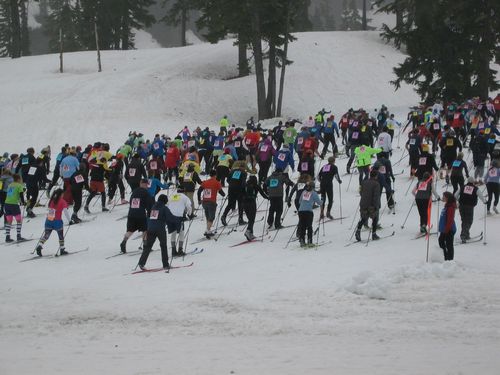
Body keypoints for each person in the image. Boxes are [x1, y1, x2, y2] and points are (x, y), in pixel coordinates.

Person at [137, 194, 180, 271]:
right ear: (164, 200)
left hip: (150, 228)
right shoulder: (164, 208)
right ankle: (165, 264)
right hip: (160, 229)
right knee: (163, 246)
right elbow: (170, 218)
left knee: (148, 247)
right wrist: (180, 219)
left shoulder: (154, 207)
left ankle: (141, 262)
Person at [120, 179, 153, 253]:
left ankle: (124, 242)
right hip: (140, 214)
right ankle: (145, 246)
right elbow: (149, 205)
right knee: (145, 229)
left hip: (131, 213)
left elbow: (131, 201)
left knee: (130, 230)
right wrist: (149, 214)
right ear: (145, 184)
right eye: (147, 185)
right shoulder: (146, 193)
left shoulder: (134, 191)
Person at [35, 189, 71, 256]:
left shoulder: (52, 200)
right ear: (61, 194)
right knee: (61, 236)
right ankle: (62, 249)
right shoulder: (62, 201)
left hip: (49, 220)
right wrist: (69, 220)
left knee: (46, 235)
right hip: (57, 221)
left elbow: (51, 209)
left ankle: (40, 245)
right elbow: (65, 211)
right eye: (63, 194)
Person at [456, 177, 486, 242]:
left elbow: (455, 195)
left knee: (464, 220)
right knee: (469, 221)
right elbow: (480, 195)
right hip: (469, 207)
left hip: (461, 206)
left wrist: (459, 200)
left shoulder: (462, 187)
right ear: (473, 182)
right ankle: (463, 235)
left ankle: (466, 234)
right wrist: (484, 201)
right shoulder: (475, 189)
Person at [197, 170, 225, 237]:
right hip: (211, 202)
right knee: (211, 217)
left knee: (208, 216)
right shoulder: (217, 182)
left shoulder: (205, 182)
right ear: (215, 175)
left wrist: (199, 200)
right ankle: (207, 230)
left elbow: (199, 191)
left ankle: (208, 230)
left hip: (204, 202)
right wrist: (224, 194)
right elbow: (221, 192)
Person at [355, 169, 381, 241]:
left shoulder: (364, 182)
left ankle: (358, 230)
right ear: (376, 176)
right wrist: (376, 206)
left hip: (363, 203)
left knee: (364, 218)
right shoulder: (376, 184)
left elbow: (360, 192)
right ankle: (374, 234)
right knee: (375, 218)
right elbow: (376, 196)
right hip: (371, 204)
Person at [165, 188, 192, 256]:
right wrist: (189, 214)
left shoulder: (172, 196)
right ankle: (180, 250)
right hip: (178, 217)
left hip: (170, 217)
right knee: (181, 233)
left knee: (173, 233)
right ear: (184, 191)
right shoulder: (185, 197)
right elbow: (189, 206)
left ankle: (173, 251)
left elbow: (166, 205)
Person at [221, 161, 247, 226]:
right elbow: (243, 183)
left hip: (231, 189)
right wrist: (245, 192)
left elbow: (227, 180)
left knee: (230, 203)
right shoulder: (244, 172)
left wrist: (232, 184)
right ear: (244, 167)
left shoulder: (232, 171)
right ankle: (240, 219)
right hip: (239, 189)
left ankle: (224, 216)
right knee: (240, 204)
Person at [297, 181, 323, 247]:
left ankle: (302, 241)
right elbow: (319, 202)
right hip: (308, 211)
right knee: (309, 226)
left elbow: (300, 201)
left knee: (302, 226)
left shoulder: (303, 192)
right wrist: (322, 200)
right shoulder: (313, 193)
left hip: (301, 211)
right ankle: (309, 241)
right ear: (313, 187)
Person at [242, 175, 268, 241]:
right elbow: (263, 194)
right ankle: (248, 231)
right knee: (252, 219)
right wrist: (268, 198)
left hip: (244, 203)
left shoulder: (245, 185)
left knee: (250, 219)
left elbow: (240, 193)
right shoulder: (256, 186)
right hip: (252, 203)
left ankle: (251, 233)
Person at [4, 174, 26, 242]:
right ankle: (18, 235)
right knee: (19, 220)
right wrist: (23, 202)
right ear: (19, 179)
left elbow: (10, 194)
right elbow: (21, 195)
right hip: (14, 204)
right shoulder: (19, 185)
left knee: (9, 221)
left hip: (7, 204)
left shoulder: (10, 185)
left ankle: (7, 237)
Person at [438, 191, 457, 261]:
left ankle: (450, 259)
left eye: (444, 197)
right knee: (441, 241)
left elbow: (450, 220)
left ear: (448, 198)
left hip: (449, 229)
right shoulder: (447, 205)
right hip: (445, 229)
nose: (442, 198)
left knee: (449, 245)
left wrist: (446, 230)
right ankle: (445, 256)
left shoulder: (450, 207)